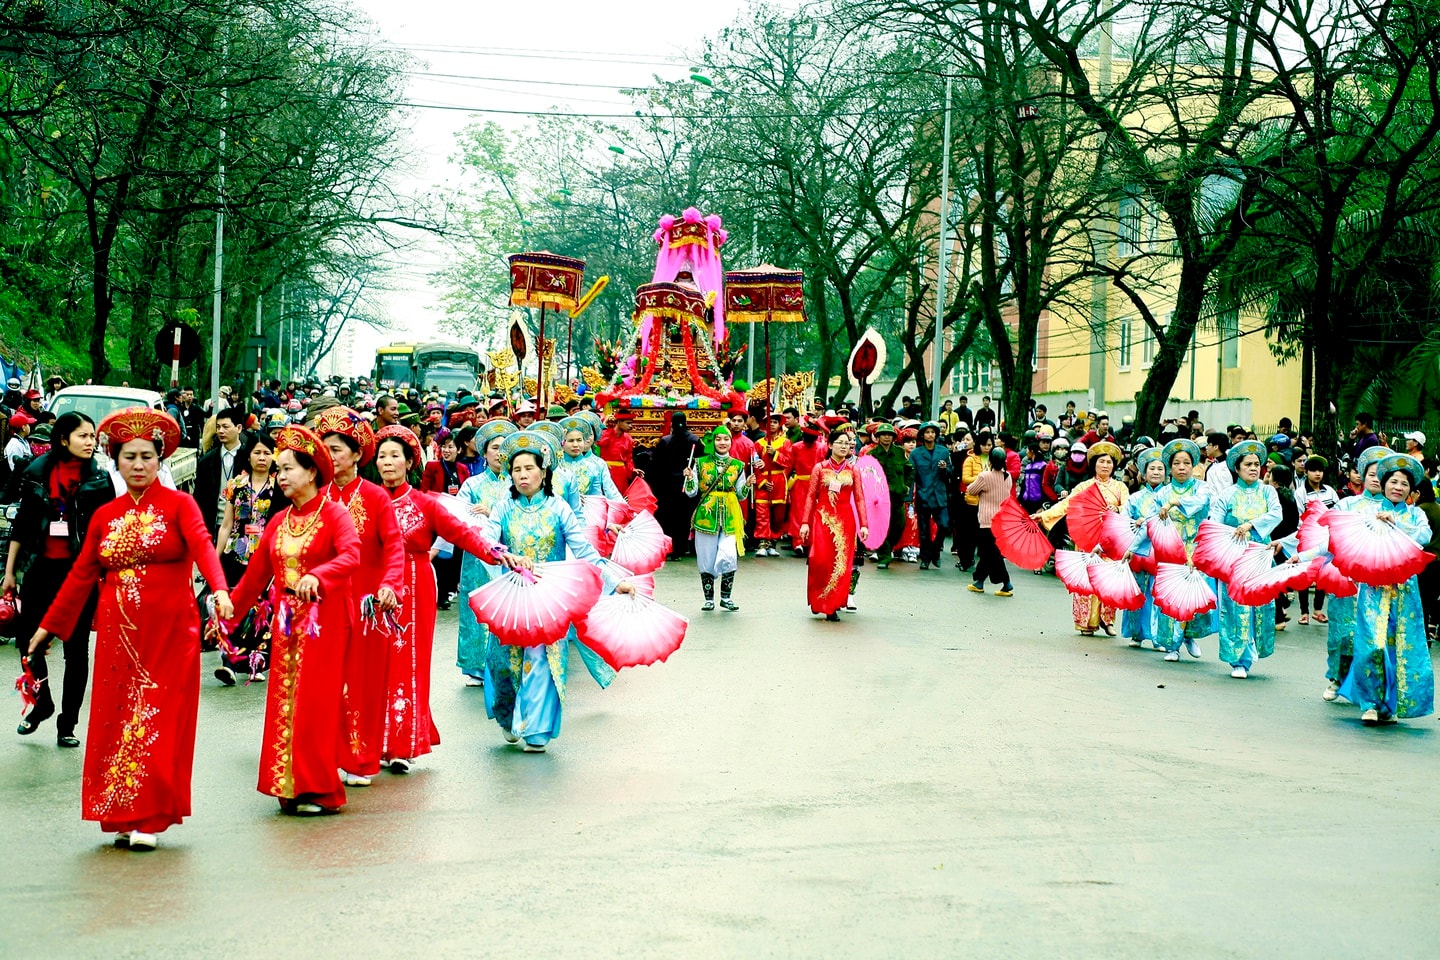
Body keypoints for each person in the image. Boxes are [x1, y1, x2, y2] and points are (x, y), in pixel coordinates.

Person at [27, 409, 231, 849]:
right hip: (120, 635)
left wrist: (219, 590)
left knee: (156, 714)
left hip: (171, 632)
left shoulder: (180, 505)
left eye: (147, 457)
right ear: (115, 461)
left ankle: (151, 816)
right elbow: (81, 576)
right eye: (129, 457)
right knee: (118, 719)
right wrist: (47, 628)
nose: (138, 465)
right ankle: (122, 808)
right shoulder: (105, 516)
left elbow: (203, 546)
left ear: (161, 460)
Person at [226, 426, 360, 815]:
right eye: (279, 469)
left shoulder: (335, 515)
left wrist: (319, 575)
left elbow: (350, 556)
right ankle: (290, 785)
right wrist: (226, 612)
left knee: (315, 703)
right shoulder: (279, 520)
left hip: (327, 621)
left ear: (313, 471)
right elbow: (254, 578)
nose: (280, 476)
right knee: (286, 701)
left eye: (288, 469)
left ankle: (319, 789)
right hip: (286, 622)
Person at [479, 430, 633, 751]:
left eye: (529, 469)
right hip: (512, 593)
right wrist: (502, 561)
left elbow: (584, 551)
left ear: (544, 472)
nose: (523, 475)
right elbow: (488, 543)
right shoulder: (503, 508)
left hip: (550, 596)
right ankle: (509, 717)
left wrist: (613, 580)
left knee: (543, 660)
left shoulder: (559, 507)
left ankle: (535, 729)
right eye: (517, 470)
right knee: (504, 661)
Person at [373, 425, 514, 771]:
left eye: (395, 456)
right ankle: (371, 740)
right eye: (382, 456)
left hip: (414, 584)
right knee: (372, 663)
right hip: (372, 588)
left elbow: (462, 534)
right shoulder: (367, 501)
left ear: (410, 462)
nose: (387, 463)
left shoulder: (425, 504)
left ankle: (403, 744)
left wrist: (497, 553)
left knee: (407, 661)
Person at [6, 412, 114, 746]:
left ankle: (67, 724)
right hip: (41, 571)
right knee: (28, 642)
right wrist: (10, 572)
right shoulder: (36, 474)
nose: (90, 442)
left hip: (81, 574)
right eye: (83, 436)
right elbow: (23, 525)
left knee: (76, 650)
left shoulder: (99, 477)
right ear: (64, 439)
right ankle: (43, 702)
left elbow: (110, 529)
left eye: (93, 436)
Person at [316, 407, 404, 787]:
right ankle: (325, 755)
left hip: (368, 605)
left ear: (356, 454)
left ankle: (361, 758)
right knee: (325, 682)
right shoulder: (314, 497)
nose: (331, 457)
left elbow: (394, 546)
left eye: (337, 449)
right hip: (324, 604)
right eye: (325, 449)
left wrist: (391, 585)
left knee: (366, 683)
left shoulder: (374, 497)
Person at [1337, 453, 1433, 725]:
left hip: (1405, 590)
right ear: (1384, 482)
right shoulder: (1367, 512)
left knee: (1400, 645)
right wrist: (1305, 555)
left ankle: (1390, 704)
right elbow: (1345, 538)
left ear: (1410, 490)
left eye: (1404, 484)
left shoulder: (1416, 515)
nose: (1398, 487)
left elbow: (1423, 537)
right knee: (1373, 644)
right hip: (1373, 588)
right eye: (1393, 481)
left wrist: (1396, 522)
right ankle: (1369, 702)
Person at [212, 431, 289, 685]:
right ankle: (228, 662)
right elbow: (226, 524)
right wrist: (215, 557)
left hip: (266, 557)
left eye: (267, 453)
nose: (262, 458)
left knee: (263, 611)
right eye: (257, 452)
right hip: (236, 553)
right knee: (233, 606)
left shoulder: (281, 486)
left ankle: (257, 661)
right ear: (249, 455)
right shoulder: (236, 485)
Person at [1208, 440, 1283, 679]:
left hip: (1260, 556)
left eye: (1257, 464)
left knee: (1260, 605)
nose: (1253, 468)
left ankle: (1253, 648)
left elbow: (1276, 514)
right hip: (1234, 557)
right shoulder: (1226, 495)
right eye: (1248, 464)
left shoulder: (1268, 491)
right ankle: (1238, 660)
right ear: (1237, 468)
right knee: (1234, 607)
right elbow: (1215, 524)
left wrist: (1251, 525)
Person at [1038, 441, 1129, 636]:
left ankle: (1107, 620)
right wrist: (1043, 516)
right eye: (1101, 462)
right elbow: (1066, 505)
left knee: (1107, 581)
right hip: (1087, 539)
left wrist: (1118, 509)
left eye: (1109, 462)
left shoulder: (1120, 487)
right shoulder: (1084, 486)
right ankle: (1085, 622)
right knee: (1087, 581)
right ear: (1094, 464)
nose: (1105, 465)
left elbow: (1129, 508)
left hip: (1110, 541)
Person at [1322, 447, 1391, 701]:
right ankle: (1336, 679)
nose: (1375, 478)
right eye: (1371, 473)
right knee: (1342, 633)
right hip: (1347, 578)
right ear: (1362, 474)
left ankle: (1367, 687)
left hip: (1377, 581)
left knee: (1373, 635)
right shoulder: (1347, 504)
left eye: (1380, 475)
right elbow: (1331, 536)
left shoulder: (1392, 507)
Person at [454, 419, 517, 685]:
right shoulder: (472, 484)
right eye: (494, 448)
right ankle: (476, 667)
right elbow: (457, 515)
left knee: (508, 607)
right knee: (475, 605)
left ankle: (508, 663)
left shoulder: (519, 483)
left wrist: (492, 515)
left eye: (505, 448)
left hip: (510, 555)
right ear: (485, 452)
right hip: (477, 558)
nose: (499, 453)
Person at [1152, 439, 1214, 662]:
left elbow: (1200, 503)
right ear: (1170, 467)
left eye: (1186, 463)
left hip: (1195, 550)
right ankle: (1172, 646)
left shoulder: (1202, 487)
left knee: (1193, 597)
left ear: (1193, 466)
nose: (1181, 467)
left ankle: (1188, 636)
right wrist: (1133, 547)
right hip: (1169, 552)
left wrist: (1175, 503)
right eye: (1176, 463)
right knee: (1171, 598)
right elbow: (1152, 520)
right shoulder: (1161, 493)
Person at [797, 429, 868, 620]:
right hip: (822, 520)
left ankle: (832, 606)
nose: (845, 446)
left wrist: (864, 524)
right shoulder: (820, 468)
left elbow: (860, 499)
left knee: (841, 564)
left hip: (846, 521)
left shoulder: (853, 470)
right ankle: (818, 598)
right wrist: (805, 522)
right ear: (830, 445)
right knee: (820, 561)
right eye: (840, 443)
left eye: (848, 443)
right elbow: (811, 497)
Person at [684, 425, 749, 611]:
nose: (722, 442)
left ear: (731, 441)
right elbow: (691, 492)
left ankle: (726, 598)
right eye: (718, 439)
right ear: (713, 441)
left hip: (730, 515)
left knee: (729, 555)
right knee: (706, 558)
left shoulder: (738, 465)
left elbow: (741, 494)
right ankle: (709, 599)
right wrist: (689, 478)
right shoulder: (700, 462)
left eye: (726, 439)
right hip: (706, 516)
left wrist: (748, 485)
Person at [1120, 447, 1166, 649]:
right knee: (1137, 591)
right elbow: (1123, 522)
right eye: (1152, 469)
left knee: (1158, 594)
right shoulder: (1135, 498)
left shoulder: (1169, 497)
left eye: (1160, 469)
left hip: (1163, 550)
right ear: (1144, 474)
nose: (1156, 472)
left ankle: (1158, 635)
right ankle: (1137, 633)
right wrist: (1135, 522)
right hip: (1138, 551)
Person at [420, 429, 469, 610]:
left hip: (456, 518)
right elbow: (424, 492)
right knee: (439, 558)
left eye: (451, 447)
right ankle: (440, 596)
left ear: (458, 450)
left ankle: (449, 589)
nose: (447, 451)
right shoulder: (433, 467)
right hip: (436, 518)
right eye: (444, 447)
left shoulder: (462, 469)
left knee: (454, 558)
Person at [964, 446, 1014, 597]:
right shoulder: (1008, 476)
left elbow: (971, 490)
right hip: (1002, 520)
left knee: (990, 553)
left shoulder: (985, 476)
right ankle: (981, 581)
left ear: (990, 460)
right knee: (992, 552)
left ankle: (1003, 582)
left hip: (987, 520)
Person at [193, 406, 247, 540]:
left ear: (238, 428)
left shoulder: (248, 458)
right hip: (212, 524)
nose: (220, 431)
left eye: (225, 426)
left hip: (241, 525)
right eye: (218, 427)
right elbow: (199, 496)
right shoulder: (207, 460)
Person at [782, 418, 827, 555]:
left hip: (809, 483)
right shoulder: (800, 447)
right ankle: (800, 542)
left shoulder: (818, 448)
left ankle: (804, 542)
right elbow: (788, 465)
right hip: (803, 484)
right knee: (800, 513)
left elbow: (788, 466)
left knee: (805, 513)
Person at [869, 423, 912, 569]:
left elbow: (910, 470)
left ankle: (889, 548)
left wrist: (906, 486)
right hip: (879, 499)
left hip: (897, 497)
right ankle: (884, 556)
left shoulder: (900, 452)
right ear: (878, 437)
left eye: (889, 434)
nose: (886, 437)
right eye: (883, 434)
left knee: (899, 525)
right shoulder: (872, 455)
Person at [910, 423, 951, 570]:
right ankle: (925, 558)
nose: (930, 435)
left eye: (933, 432)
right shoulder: (915, 454)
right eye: (927, 432)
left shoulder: (944, 452)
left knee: (944, 525)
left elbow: (950, 474)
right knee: (924, 531)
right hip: (923, 495)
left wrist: (944, 469)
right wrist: (910, 497)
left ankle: (936, 552)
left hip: (940, 495)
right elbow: (911, 476)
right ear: (922, 435)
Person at [753, 413, 791, 556]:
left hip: (779, 481)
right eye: (769, 422)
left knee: (778, 515)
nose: (772, 425)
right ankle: (762, 542)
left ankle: (773, 542)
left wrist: (775, 453)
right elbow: (754, 464)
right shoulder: (758, 444)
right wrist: (761, 481)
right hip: (763, 481)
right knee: (762, 513)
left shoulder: (785, 443)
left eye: (775, 422)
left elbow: (788, 462)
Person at [598, 410, 639, 493]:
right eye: (628, 423)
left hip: (621, 473)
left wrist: (632, 469)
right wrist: (607, 427)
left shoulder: (628, 439)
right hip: (606, 470)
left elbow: (629, 458)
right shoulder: (607, 433)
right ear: (619, 422)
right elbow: (600, 442)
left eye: (631, 423)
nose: (630, 426)